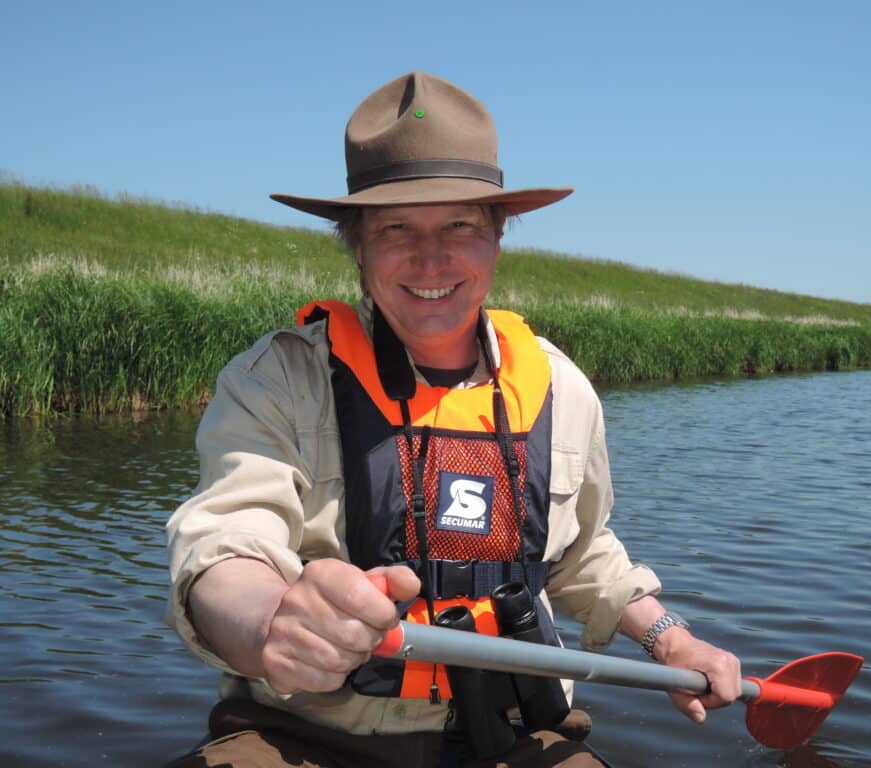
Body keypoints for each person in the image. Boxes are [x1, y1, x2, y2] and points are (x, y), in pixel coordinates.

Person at [165, 71, 741, 768]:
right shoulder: (279, 381)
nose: (430, 258)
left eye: (460, 226)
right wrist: (270, 626)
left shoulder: (562, 388)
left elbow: (583, 554)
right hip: (304, 735)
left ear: (497, 238)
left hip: (515, 736)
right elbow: (225, 549)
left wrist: (671, 639)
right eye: (396, 228)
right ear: (358, 245)